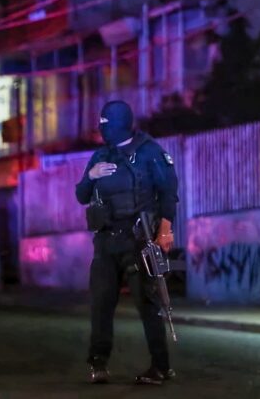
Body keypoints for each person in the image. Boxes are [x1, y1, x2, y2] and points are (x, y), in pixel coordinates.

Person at [75, 100, 179, 386]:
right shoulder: (100, 156)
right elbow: (82, 195)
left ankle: (161, 366)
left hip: (138, 241)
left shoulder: (149, 152)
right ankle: (98, 364)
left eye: (106, 124)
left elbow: (169, 192)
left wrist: (165, 232)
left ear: (121, 123)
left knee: (148, 304)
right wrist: (91, 177)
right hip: (106, 242)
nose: (102, 129)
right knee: (101, 304)